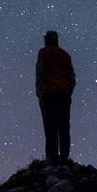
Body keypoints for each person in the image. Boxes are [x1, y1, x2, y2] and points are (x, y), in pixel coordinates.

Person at [36, 30, 76, 164]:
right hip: (63, 94)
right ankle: (64, 156)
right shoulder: (65, 55)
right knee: (64, 125)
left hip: (48, 93)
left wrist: (39, 92)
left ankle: (52, 157)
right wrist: (68, 91)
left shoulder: (43, 53)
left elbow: (40, 72)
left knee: (50, 125)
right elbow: (71, 77)